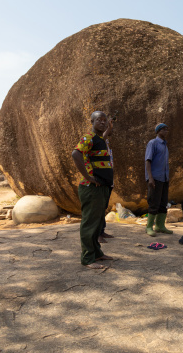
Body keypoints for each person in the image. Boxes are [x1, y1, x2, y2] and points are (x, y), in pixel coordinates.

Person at [71, 111, 114, 269]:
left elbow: (106, 134)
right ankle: (88, 258)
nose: (102, 123)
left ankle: (97, 253)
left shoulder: (100, 139)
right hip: (91, 188)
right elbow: (75, 154)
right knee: (89, 223)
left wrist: (110, 126)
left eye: (104, 120)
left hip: (102, 186)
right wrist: (88, 177)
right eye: (99, 120)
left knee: (97, 223)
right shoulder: (88, 138)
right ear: (92, 122)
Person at [144, 123, 173, 236]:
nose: (166, 131)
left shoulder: (165, 145)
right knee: (153, 202)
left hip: (164, 178)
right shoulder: (153, 143)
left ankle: (160, 226)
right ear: (158, 131)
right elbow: (148, 160)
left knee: (163, 202)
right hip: (155, 178)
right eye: (163, 129)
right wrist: (150, 178)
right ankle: (149, 227)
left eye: (167, 129)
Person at [98, 116, 115, 243]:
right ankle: (97, 234)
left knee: (103, 206)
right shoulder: (97, 140)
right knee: (98, 207)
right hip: (101, 178)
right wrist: (108, 127)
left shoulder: (106, 142)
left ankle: (101, 231)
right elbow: (102, 137)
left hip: (108, 178)